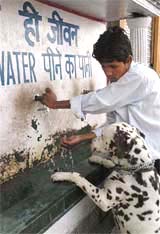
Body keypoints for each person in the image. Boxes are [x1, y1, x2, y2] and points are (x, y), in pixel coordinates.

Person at [39, 26, 160, 174]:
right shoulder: (119, 81)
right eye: (103, 66)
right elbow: (115, 126)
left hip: (153, 159)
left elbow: (101, 100)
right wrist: (82, 137)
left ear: (128, 60)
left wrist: (55, 104)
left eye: (113, 66)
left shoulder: (140, 77)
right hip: (138, 158)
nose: (108, 72)